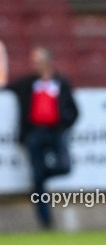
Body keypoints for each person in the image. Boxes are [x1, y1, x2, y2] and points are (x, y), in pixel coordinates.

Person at [4, 46, 78, 229]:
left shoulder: (61, 83)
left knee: (64, 166)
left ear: (48, 61)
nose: (35, 64)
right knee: (38, 184)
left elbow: (74, 111)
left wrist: (62, 125)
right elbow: (6, 88)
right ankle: (46, 221)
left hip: (55, 132)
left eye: (38, 60)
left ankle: (41, 173)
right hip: (34, 134)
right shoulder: (27, 84)